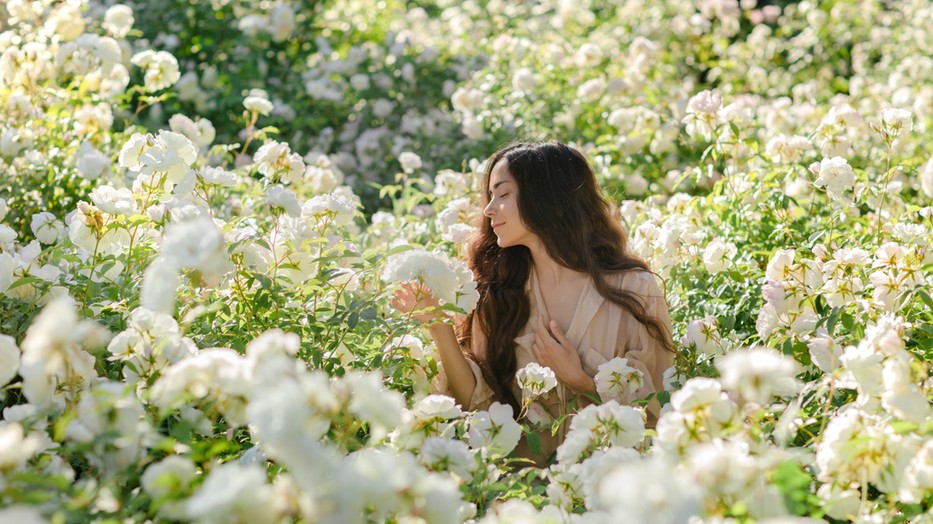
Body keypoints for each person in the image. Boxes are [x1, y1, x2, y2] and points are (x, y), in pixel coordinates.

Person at [392, 140, 675, 464]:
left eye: (503, 194)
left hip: (611, 481)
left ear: (545, 197)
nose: (489, 209)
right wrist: (439, 326)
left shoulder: (634, 289)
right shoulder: (499, 293)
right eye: (490, 196)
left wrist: (581, 381)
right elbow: (479, 408)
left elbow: (656, 414)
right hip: (525, 485)